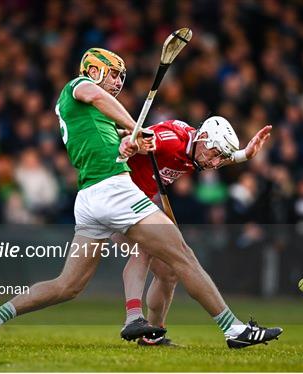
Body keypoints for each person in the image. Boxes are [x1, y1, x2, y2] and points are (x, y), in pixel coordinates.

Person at [0, 48, 282, 349]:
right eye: (113, 74)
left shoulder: (95, 116)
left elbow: (121, 142)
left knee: (67, 286)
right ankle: (233, 329)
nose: (118, 81)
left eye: (122, 77)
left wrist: (131, 141)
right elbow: (100, 99)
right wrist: (134, 129)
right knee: (183, 256)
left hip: (90, 197)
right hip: (113, 189)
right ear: (93, 70)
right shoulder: (78, 87)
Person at [115, 116, 272, 345]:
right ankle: (133, 318)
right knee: (147, 250)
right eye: (215, 153)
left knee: (169, 272)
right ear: (204, 138)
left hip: (138, 203)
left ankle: (151, 336)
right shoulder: (172, 141)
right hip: (117, 201)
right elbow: (141, 139)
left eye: (222, 157)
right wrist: (133, 141)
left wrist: (243, 155)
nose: (216, 163)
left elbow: (216, 158)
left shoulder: (196, 151)